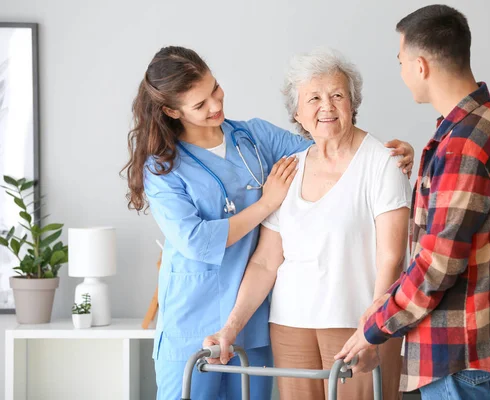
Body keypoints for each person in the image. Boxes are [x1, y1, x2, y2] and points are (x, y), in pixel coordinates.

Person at [122, 46, 415, 400]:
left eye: (214, 89)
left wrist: (390, 154)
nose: (215, 105)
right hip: (195, 316)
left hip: (256, 321)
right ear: (172, 111)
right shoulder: (162, 168)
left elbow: (331, 142)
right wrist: (267, 204)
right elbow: (197, 241)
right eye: (200, 105)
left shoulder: (256, 138)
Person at [335, 5, 490, 400]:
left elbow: (437, 265)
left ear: (421, 65)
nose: (400, 73)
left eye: (400, 62)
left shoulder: (464, 144)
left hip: (464, 360)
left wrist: (373, 329)